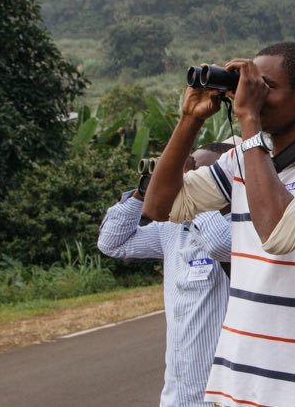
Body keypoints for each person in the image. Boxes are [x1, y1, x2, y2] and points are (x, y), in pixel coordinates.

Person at [142, 42, 295, 407]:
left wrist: (249, 121)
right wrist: (191, 120)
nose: (254, 97)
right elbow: (159, 206)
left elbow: (278, 232)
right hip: (234, 381)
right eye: (251, 88)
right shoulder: (241, 160)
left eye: (266, 87)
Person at [97, 142, 235, 407]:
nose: (192, 181)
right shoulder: (172, 228)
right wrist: (142, 192)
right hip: (177, 394)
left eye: (201, 175)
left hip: (222, 396)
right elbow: (111, 243)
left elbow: (220, 245)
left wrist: (187, 189)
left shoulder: (243, 225)